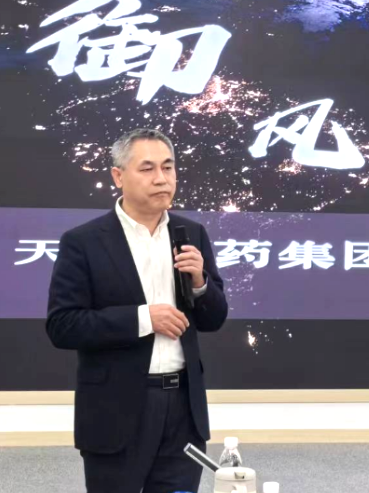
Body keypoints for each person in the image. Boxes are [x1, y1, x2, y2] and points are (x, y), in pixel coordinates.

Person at [46, 128, 228, 493]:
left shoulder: (191, 233)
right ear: (118, 176)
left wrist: (200, 283)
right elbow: (63, 325)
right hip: (117, 409)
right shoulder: (83, 242)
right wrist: (144, 318)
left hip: (183, 409)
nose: (161, 178)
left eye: (168, 167)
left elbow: (214, 319)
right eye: (147, 168)